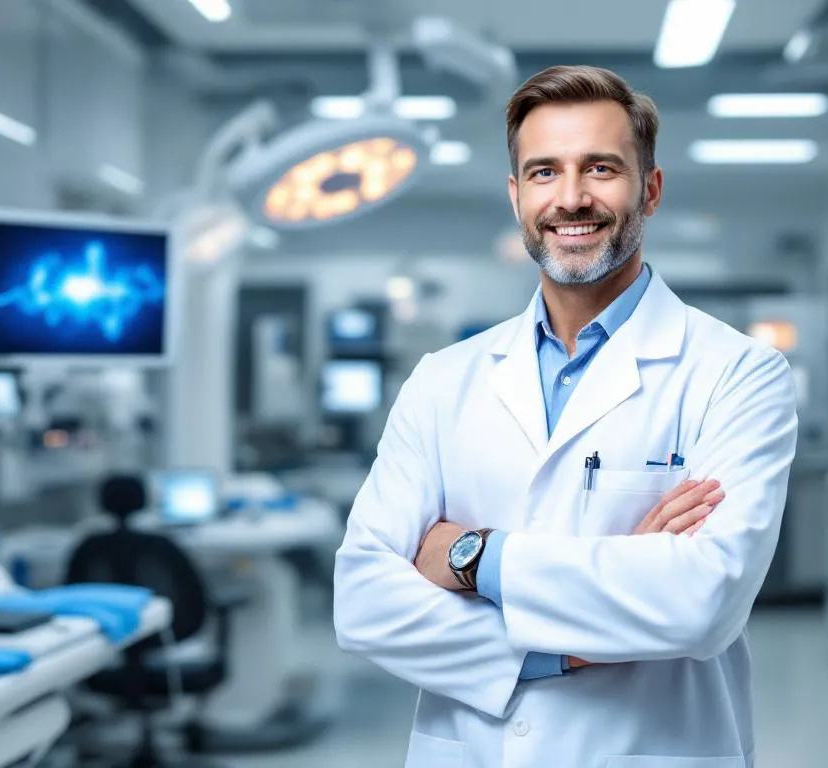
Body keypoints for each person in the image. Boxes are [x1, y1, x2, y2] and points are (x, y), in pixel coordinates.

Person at [334, 65, 798, 768]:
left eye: (601, 168)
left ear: (650, 189)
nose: (571, 197)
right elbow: (363, 600)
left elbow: (703, 603)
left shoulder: (737, 373)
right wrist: (558, 651)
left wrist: (472, 555)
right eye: (544, 172)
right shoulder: (442, 381)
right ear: (516, 194)